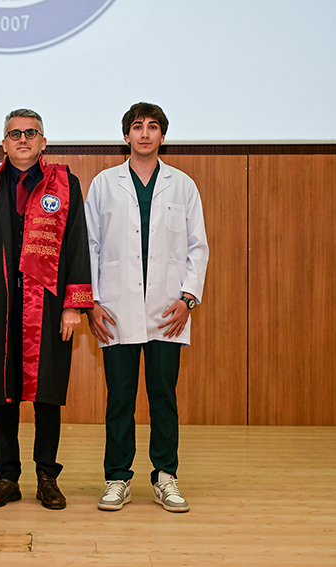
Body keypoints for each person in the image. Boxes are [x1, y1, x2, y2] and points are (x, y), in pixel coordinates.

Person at [0, 109, 94, 510]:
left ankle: (47, 477)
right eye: (15, 134)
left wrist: (73, 306)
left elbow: (77, 244)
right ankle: (6, 478)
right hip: (0, 307)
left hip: (48, 306)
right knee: (3, 395)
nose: (22, 139)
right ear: (3, 143)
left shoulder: (65, 184)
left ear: (43, 142)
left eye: (30, 133)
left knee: (47, 393)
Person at [84, 103, 208, 513]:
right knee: (120, 399)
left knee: (163, 399)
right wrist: (92, 303)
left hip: (167, 311)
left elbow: (197, 247)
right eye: (137, 127)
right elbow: (90, 246)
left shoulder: (182, 185)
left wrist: (188, 299)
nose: (144, 134)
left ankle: (165, 477)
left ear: (162, 136)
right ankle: (117, 478)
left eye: (153, 127)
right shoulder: (104, 184)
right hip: (115, 309)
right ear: (126, 136)